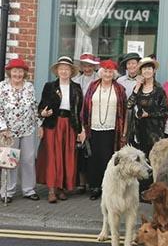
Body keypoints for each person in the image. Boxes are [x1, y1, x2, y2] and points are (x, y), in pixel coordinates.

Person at [36, 56, 84, 203]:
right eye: (61, 69)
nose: (64, 71)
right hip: (53, 124)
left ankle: (61, 188)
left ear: (71, 71)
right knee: (52, 156)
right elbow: (41, 107)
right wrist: (42, 115)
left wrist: (81, 130)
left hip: (69, 125)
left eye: (67, 69)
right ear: (57, 71)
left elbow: (79, 110)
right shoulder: (49, 86)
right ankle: (51, 189)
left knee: (66, 156)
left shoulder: (76, 88)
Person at [81, 60, 127, 200]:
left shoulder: (119, 89)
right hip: (93, 127)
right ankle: (95, 187)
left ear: (114, 74)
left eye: (110, 72)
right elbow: (85, 108)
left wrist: (124, 132)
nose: (107, 74)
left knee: (108, 159)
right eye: (105, 71)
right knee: (94, 159)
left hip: (112, 129)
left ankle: (108, 188)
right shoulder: (93, 86)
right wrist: (83, 129)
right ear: (100, 73)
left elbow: (125, 112)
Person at [0, 59, 41, 203]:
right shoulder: (2, 87)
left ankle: (29, 190)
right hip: (9, 132)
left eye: (20, 71)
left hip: (27, 129)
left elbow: (34, 107)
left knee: (28, 160)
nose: (17, 74)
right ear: (9, 72)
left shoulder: (29, 87)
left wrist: (39, 124)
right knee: (9, 161)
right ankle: (7, 192)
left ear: (24, 73)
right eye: (15, 71)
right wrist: (3, 128)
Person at [124, 57, 168, 157]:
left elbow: (165, 111)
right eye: (144, 69)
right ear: (141, 72)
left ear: (153, 71)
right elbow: (129, 105)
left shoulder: (159, 90)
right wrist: (136, 88)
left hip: (154, 133)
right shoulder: (138, 89)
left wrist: (148, 114)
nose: (147, 71)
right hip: (138, 132)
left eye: (149, 68)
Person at [73, 52, 99, 194]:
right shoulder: (77, 81)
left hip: (96, 117)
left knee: (93, 150)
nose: (87, 68)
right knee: (81, 151)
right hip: (80, 118)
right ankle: (82, 182)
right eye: (85, 66)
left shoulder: (99, 79)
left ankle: (92, 181)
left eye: (90, 66)